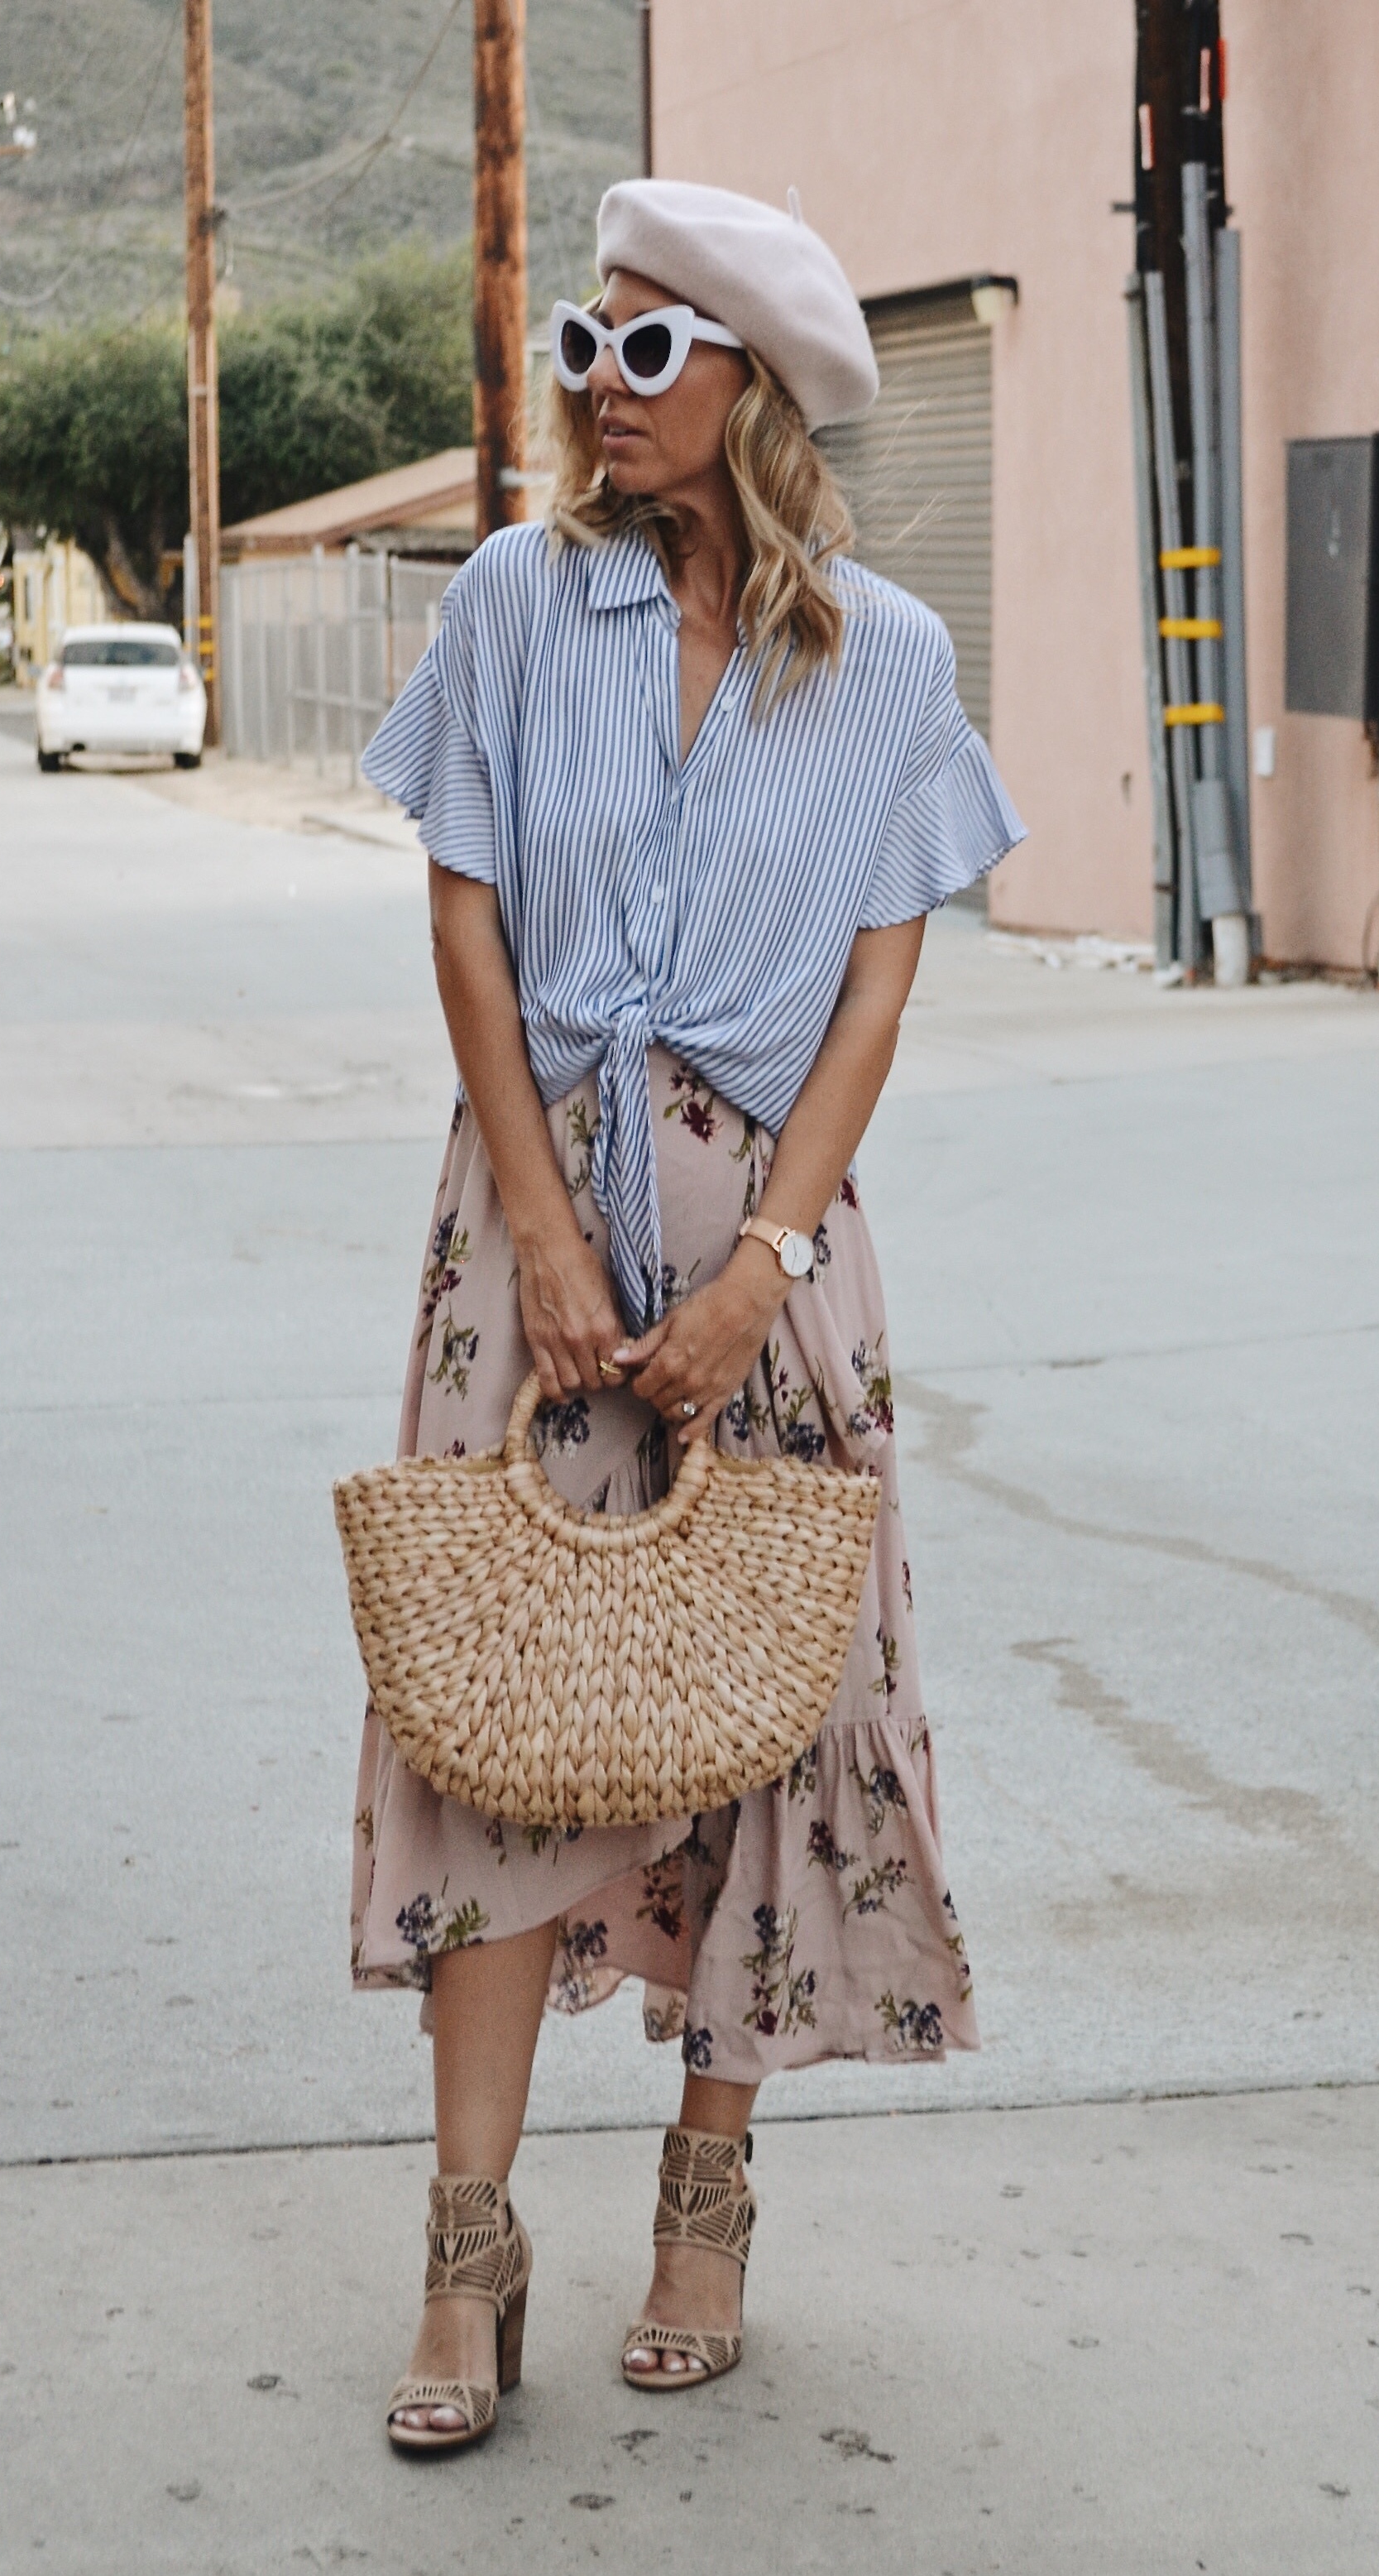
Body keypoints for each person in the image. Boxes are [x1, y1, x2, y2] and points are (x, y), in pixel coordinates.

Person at [354, 178, 1025, 2453]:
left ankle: (707, 2197)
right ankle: (466, 2249)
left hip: (772, 1229)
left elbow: (875, 987)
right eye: (584, 344)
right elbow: (459, 913)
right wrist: (543, 1226)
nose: (604, 389)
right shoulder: (520, 611)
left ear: (751, 383)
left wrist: (768, 1266)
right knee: (488, 1698)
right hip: (528, 1188)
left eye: (655, 352)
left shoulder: (893, 662)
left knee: (775, 1699)